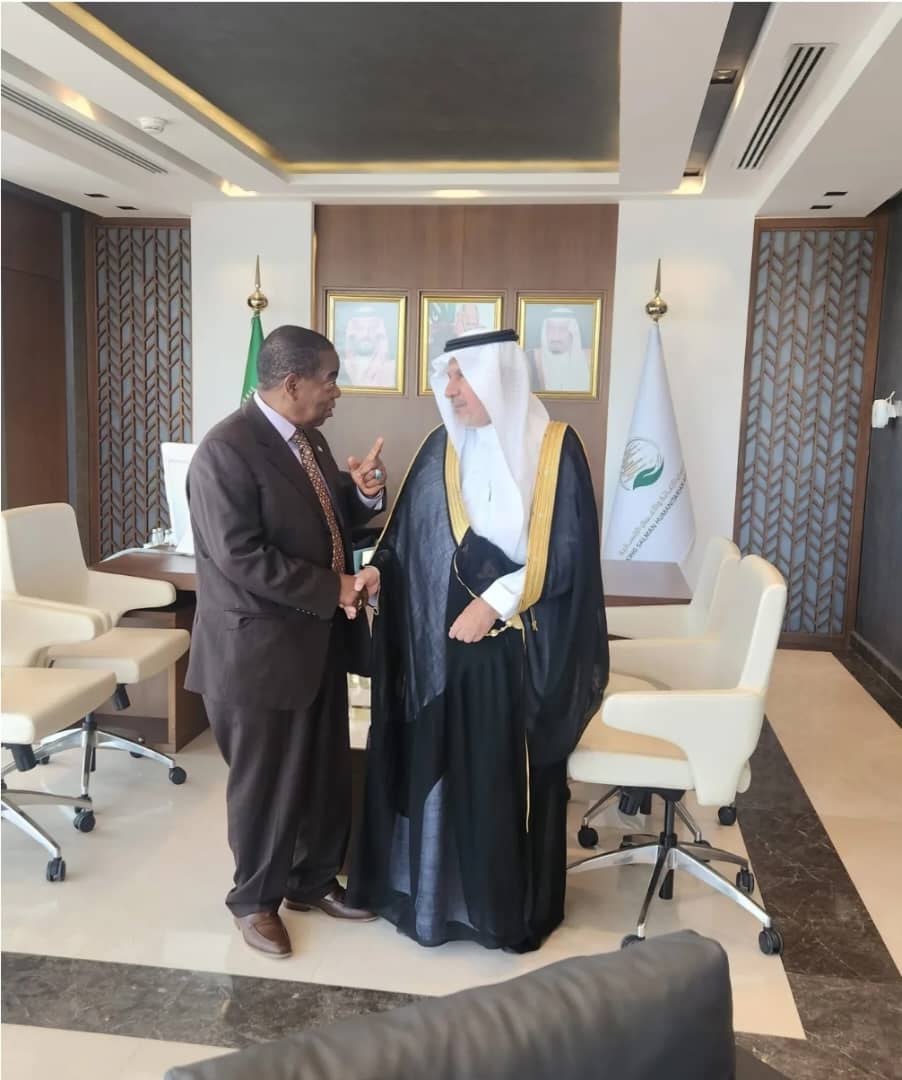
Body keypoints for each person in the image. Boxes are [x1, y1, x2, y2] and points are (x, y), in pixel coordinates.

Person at [348, 328, 608, 953]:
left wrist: (494, 603)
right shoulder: (442, 446)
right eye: (449, 376)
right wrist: (380, 570)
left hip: (516, 649)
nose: (452, 389)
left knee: (494, 784)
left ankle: (498, 910)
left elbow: (567, 554)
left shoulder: (555, 449)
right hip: (443, 645)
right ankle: (435, 900)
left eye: (464, 376)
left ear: (500, 377)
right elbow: (407, 534)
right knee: (440, 766)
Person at [185, 325, 388, 958]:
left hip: (315, 640)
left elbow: (325, 519)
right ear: (293, 382)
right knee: (266, 785)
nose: (337, 392)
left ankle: (311, 879)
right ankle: (254, 902)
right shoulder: (225, 451)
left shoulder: (309, 439)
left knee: (324, 770)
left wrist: (362, 495)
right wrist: (337, 587)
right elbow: (241, 557)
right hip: (257, 652)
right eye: (330, 379)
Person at [530, 308, 592, 392]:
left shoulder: (590, 358)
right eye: (551, 328)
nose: (556, 336)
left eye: (563, 329)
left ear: (573, 332)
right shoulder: (531, 358)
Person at [339, 305, 395, 388]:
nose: (366, 335)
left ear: (379, 334)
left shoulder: (392, 367)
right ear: (352, 334)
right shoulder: (341, 366)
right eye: (360, 329)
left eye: (372, 329)